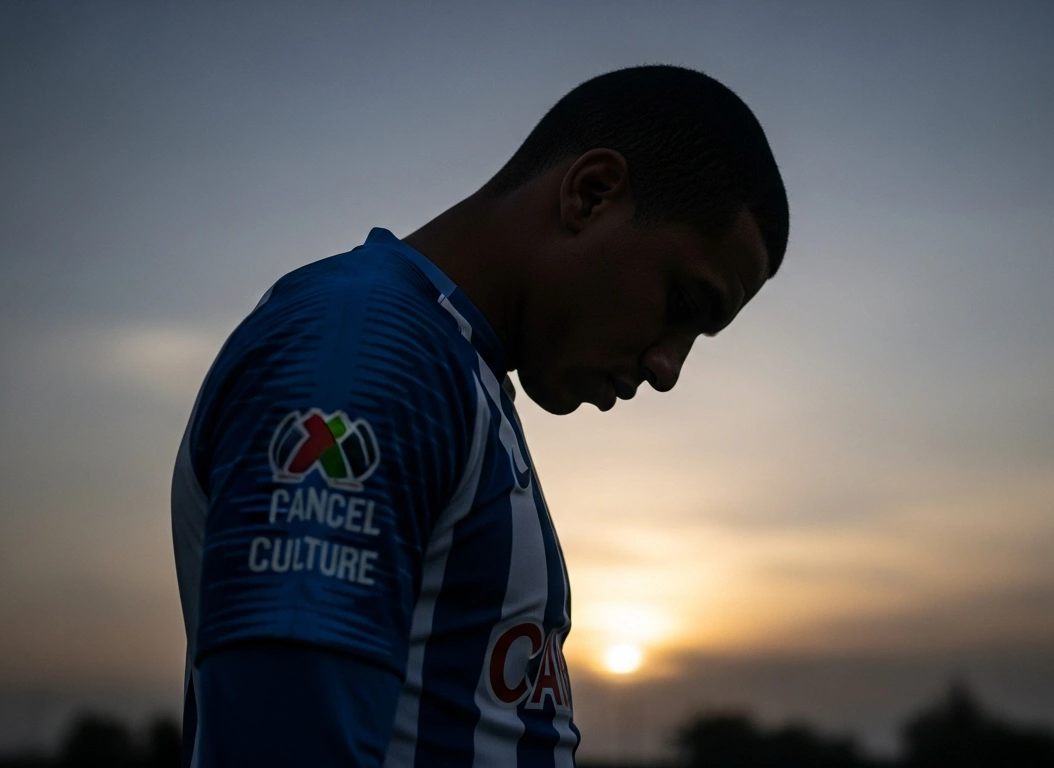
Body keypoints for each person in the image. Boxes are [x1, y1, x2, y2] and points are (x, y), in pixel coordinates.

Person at [170, 64, 789, 768]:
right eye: (684, 305)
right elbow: (285, 742)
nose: (669, 368)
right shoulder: (365, 355)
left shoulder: (455, 370)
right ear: (591, 195)